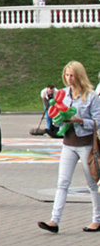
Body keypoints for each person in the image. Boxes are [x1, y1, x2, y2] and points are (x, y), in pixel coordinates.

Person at [37, 61, 100, 234]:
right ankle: (54, 221)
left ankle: (97, 220)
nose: (69, 78)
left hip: (86, 144)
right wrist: (57, 119)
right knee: (62, 183)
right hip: (68, 143)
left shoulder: (92, 96)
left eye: (72, 75)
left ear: (79, 76)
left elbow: (98, 121)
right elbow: (56, 113)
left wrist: (79, 121)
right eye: (66, 75)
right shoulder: (63, 94)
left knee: (92, 183)